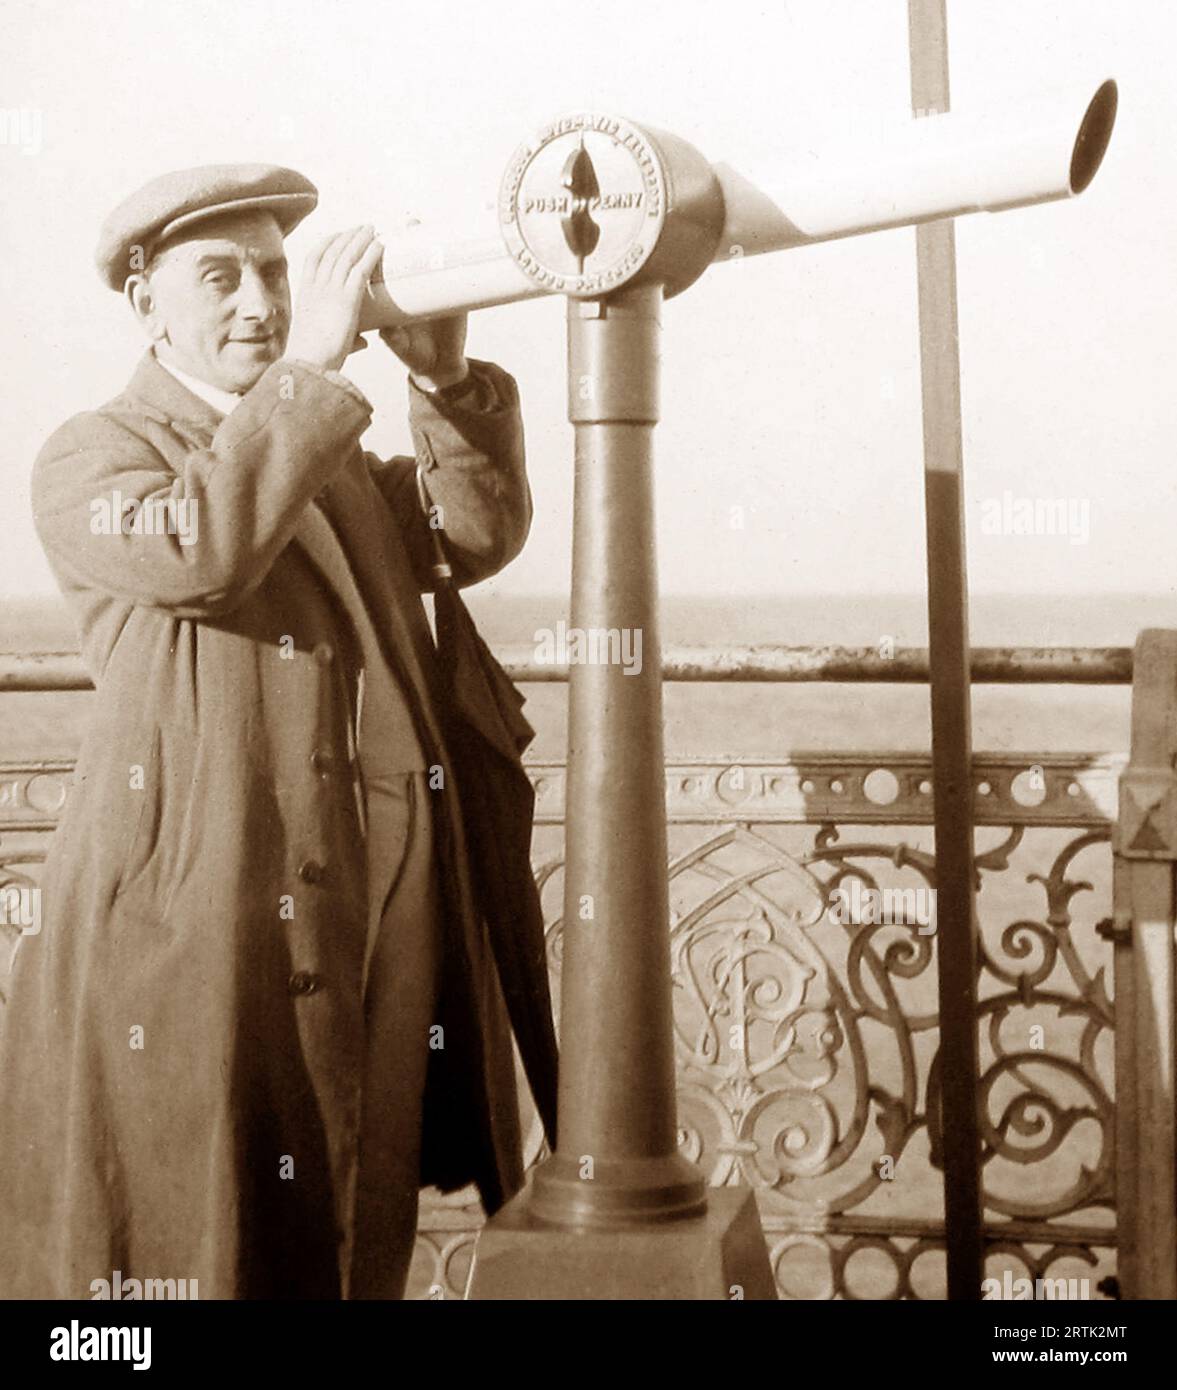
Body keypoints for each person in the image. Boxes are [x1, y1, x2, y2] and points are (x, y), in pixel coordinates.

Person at [0, 164, 555, 1299]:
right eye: (221, 278)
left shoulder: (323, 450)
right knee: (212, 1219)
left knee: (360, 1190)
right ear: (147, 302)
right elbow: (199, 548)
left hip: (385, 899)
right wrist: (308, 379)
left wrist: (445, 384)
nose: (260, 302)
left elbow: (473, 534)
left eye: (271, 273)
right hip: (218, 914)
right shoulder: (92, 455)